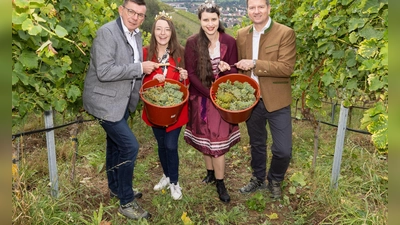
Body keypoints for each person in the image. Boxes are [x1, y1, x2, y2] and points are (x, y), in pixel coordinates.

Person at [82, 0, 160, 220]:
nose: (135, 17)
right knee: (130, 146)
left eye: (140, 15)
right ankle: (126, 201)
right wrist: (139, 68)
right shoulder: (106, 33)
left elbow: (131, 67)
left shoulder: (135, 35)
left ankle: (116, 188)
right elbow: (104, 72)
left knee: (115, 146)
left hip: (122, 102)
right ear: (121, 10)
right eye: (131, 12)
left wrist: (146, 73)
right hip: (105, 103)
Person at [235, 0, 296, 199]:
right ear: (247, 11)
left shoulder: (284, 33)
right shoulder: (242, 34)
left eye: (261, 6)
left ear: (269, 8)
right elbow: (239, 67)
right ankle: (258, 178)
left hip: (277, 100)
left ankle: (275, 179)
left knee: (283, 149)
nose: (256, 11)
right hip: (251, 101)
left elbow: (286, 68)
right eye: (252, 7)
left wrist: (254, 63)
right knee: (257, 144)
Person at [183, 0, 240, 203]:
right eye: (206, 20)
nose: (210, 24)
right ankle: (209, 172)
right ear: (200, 20)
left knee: (217, 141)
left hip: (222, 99)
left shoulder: (230, 42)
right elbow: (191, 73)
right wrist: (209, 93)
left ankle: (221, 182)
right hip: (201, 98)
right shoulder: (192, 43)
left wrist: (228, 69)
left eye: (213, 19)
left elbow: (234, 70)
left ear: (219, 19)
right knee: (205, 138)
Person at [141, 11, 189, 201]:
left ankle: (175, 182)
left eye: (166, 29)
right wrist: (153, 78)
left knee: (170, 145)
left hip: (175, 110)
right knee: (161, 145)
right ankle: (166, 175)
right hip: (154, 109)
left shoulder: (181, 53)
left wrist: (185, 76)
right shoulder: (146, 52)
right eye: (159, 29)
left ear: (172, 32)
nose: (162, 33)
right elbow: (141, 79)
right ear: (153, 31)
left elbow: (186, 82)